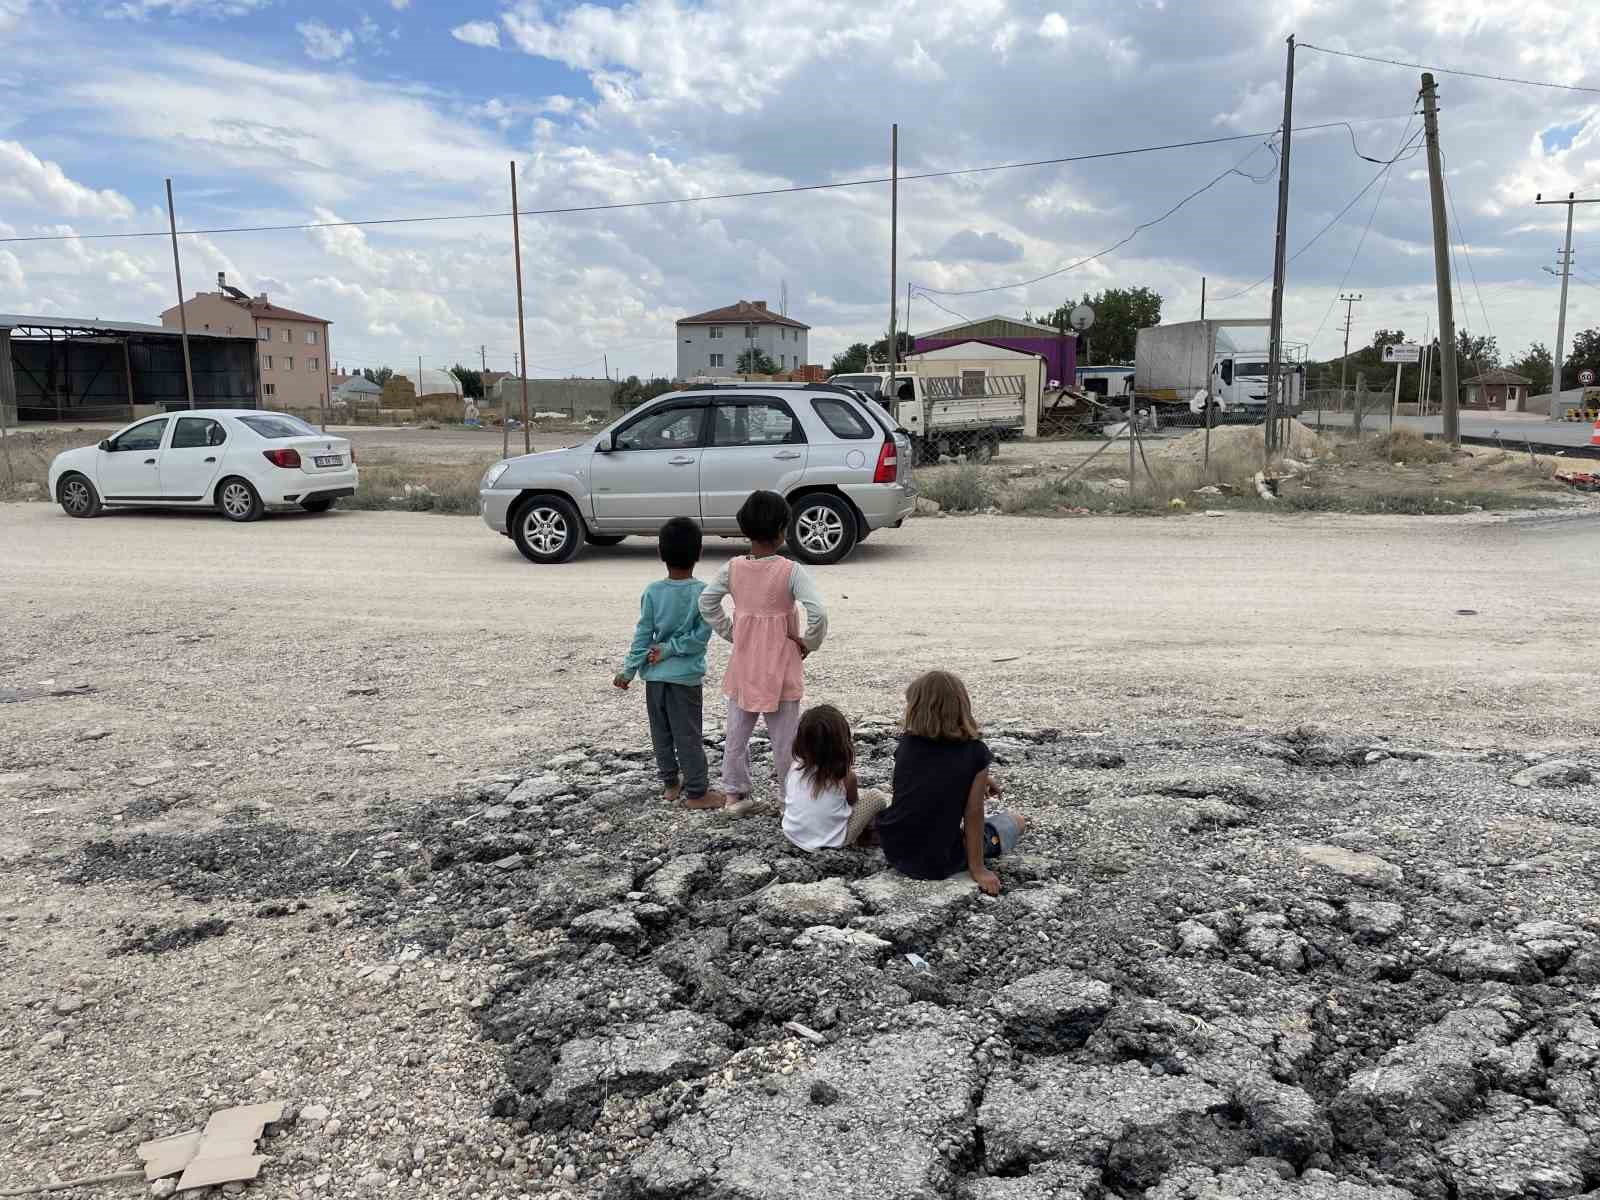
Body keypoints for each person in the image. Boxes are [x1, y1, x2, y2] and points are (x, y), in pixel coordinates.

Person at [699, 490, 828, 808]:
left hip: (744, 665)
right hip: (782, 667)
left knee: (737, 734)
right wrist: (809, 642)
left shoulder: (733, 568)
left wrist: (732, 632)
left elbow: (706, 602)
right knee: (785, 740)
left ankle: (735, 793)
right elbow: (819, 612)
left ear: (745, 528)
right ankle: (789, 800)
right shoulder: (791, 571)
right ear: (783, 528)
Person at [876, 670, 1025, 895]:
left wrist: (982, 778)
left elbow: (924, 782)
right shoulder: (975, 753)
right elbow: (973, 813)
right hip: (940, 858)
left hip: (896, 848)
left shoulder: (907, 745)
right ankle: (1004, 831)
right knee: (1017, 820)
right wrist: (978, 868)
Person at [613, 517, 724, 810]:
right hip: (685, 680)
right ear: (699, 553)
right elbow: (699, 639)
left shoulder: (652, 592)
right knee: (688, 735)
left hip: (654, 680)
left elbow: (642, 635)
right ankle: (698, 792)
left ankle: (671, 784)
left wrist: (629, 669)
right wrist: (670, 650)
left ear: (660, 554)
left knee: (661, 732)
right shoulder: (703, 593)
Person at [782, 704, 888, 851]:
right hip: (833, 841)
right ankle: (864, 838)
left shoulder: (795, 767)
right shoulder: (845, 777)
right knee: (877, 797)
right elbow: (853, 807)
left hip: (793, 835)